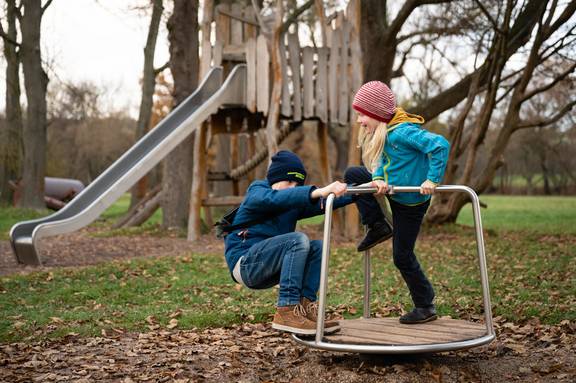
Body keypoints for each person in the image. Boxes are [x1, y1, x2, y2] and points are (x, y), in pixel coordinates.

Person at [344, 81, 450, 324]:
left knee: (402, 256)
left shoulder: (403, 132)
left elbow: (440, 145)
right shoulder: (384, 132)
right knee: (353, 174)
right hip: (394, 188)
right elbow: (380, 160)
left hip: (411, 201)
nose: (360, 120)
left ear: (376, 113)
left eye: (362, 114)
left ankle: (425, 306)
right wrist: (378, 179)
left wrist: (432, 180)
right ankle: (378, 225)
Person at [224, 150, 354, 335]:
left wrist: (360, 190)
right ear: (275, 178)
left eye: (298, 183)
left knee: (317, 247)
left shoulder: (291, 201)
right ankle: (287, 310)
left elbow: (323, 202)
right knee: (297, 240)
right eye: (290, 181)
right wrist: (319, 190)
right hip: (245, 265)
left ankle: (305, 308)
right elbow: (273, 199)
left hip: (270, 264)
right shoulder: (258, 191)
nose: (293, 187)